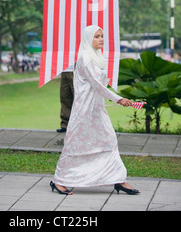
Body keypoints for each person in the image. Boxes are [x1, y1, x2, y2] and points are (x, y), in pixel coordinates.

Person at [50, 25, 140, 196]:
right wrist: (118, 99)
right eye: (97, 36)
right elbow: (97, 85)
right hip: (83, 110)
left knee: (109, 141)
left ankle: (118, 179)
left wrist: (115, 98)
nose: (101, 39)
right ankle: (59, 180)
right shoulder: (85, 57)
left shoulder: (97, 56)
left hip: (96, 109)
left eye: (102, 36)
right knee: (74, 145)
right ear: (88, 39)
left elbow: (99, 85)